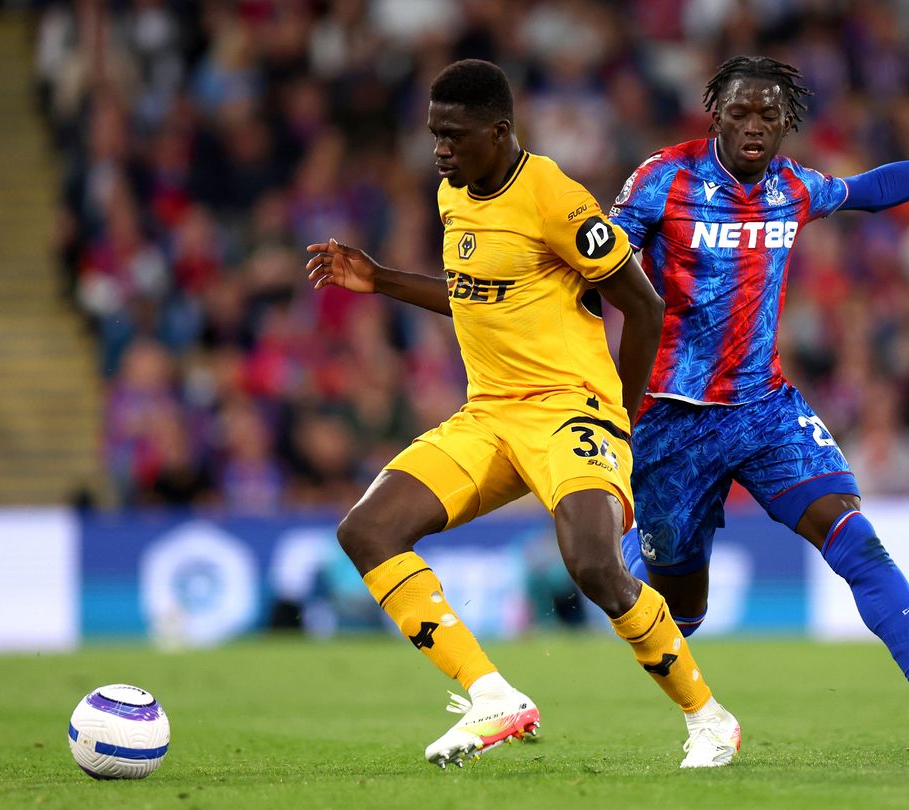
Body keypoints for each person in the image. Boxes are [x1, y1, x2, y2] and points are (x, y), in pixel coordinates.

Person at [609, 55, 909, 758]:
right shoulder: (661, 180)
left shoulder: (794, 186)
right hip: (672, 420)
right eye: (739, 112)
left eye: (769, 114)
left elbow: (874, 189)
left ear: (788, 122)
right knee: (681, 612)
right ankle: (619, 569)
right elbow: (601, 269)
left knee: (856, 537)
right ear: (715, 116)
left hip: (763, 410)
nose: (754, 126)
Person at [305, 59, 740, 769]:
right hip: (489, 416)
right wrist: (380, 278)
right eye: (433, 134)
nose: (439, 149)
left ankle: (708, 717)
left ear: (499, 131)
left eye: (453, 135)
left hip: (572, 409)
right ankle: (491, 695)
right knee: (367, 531)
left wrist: (620, 416)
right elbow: (475, 291)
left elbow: (643, 304)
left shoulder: (553, 196)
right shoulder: (455, 195)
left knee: (595, 565)